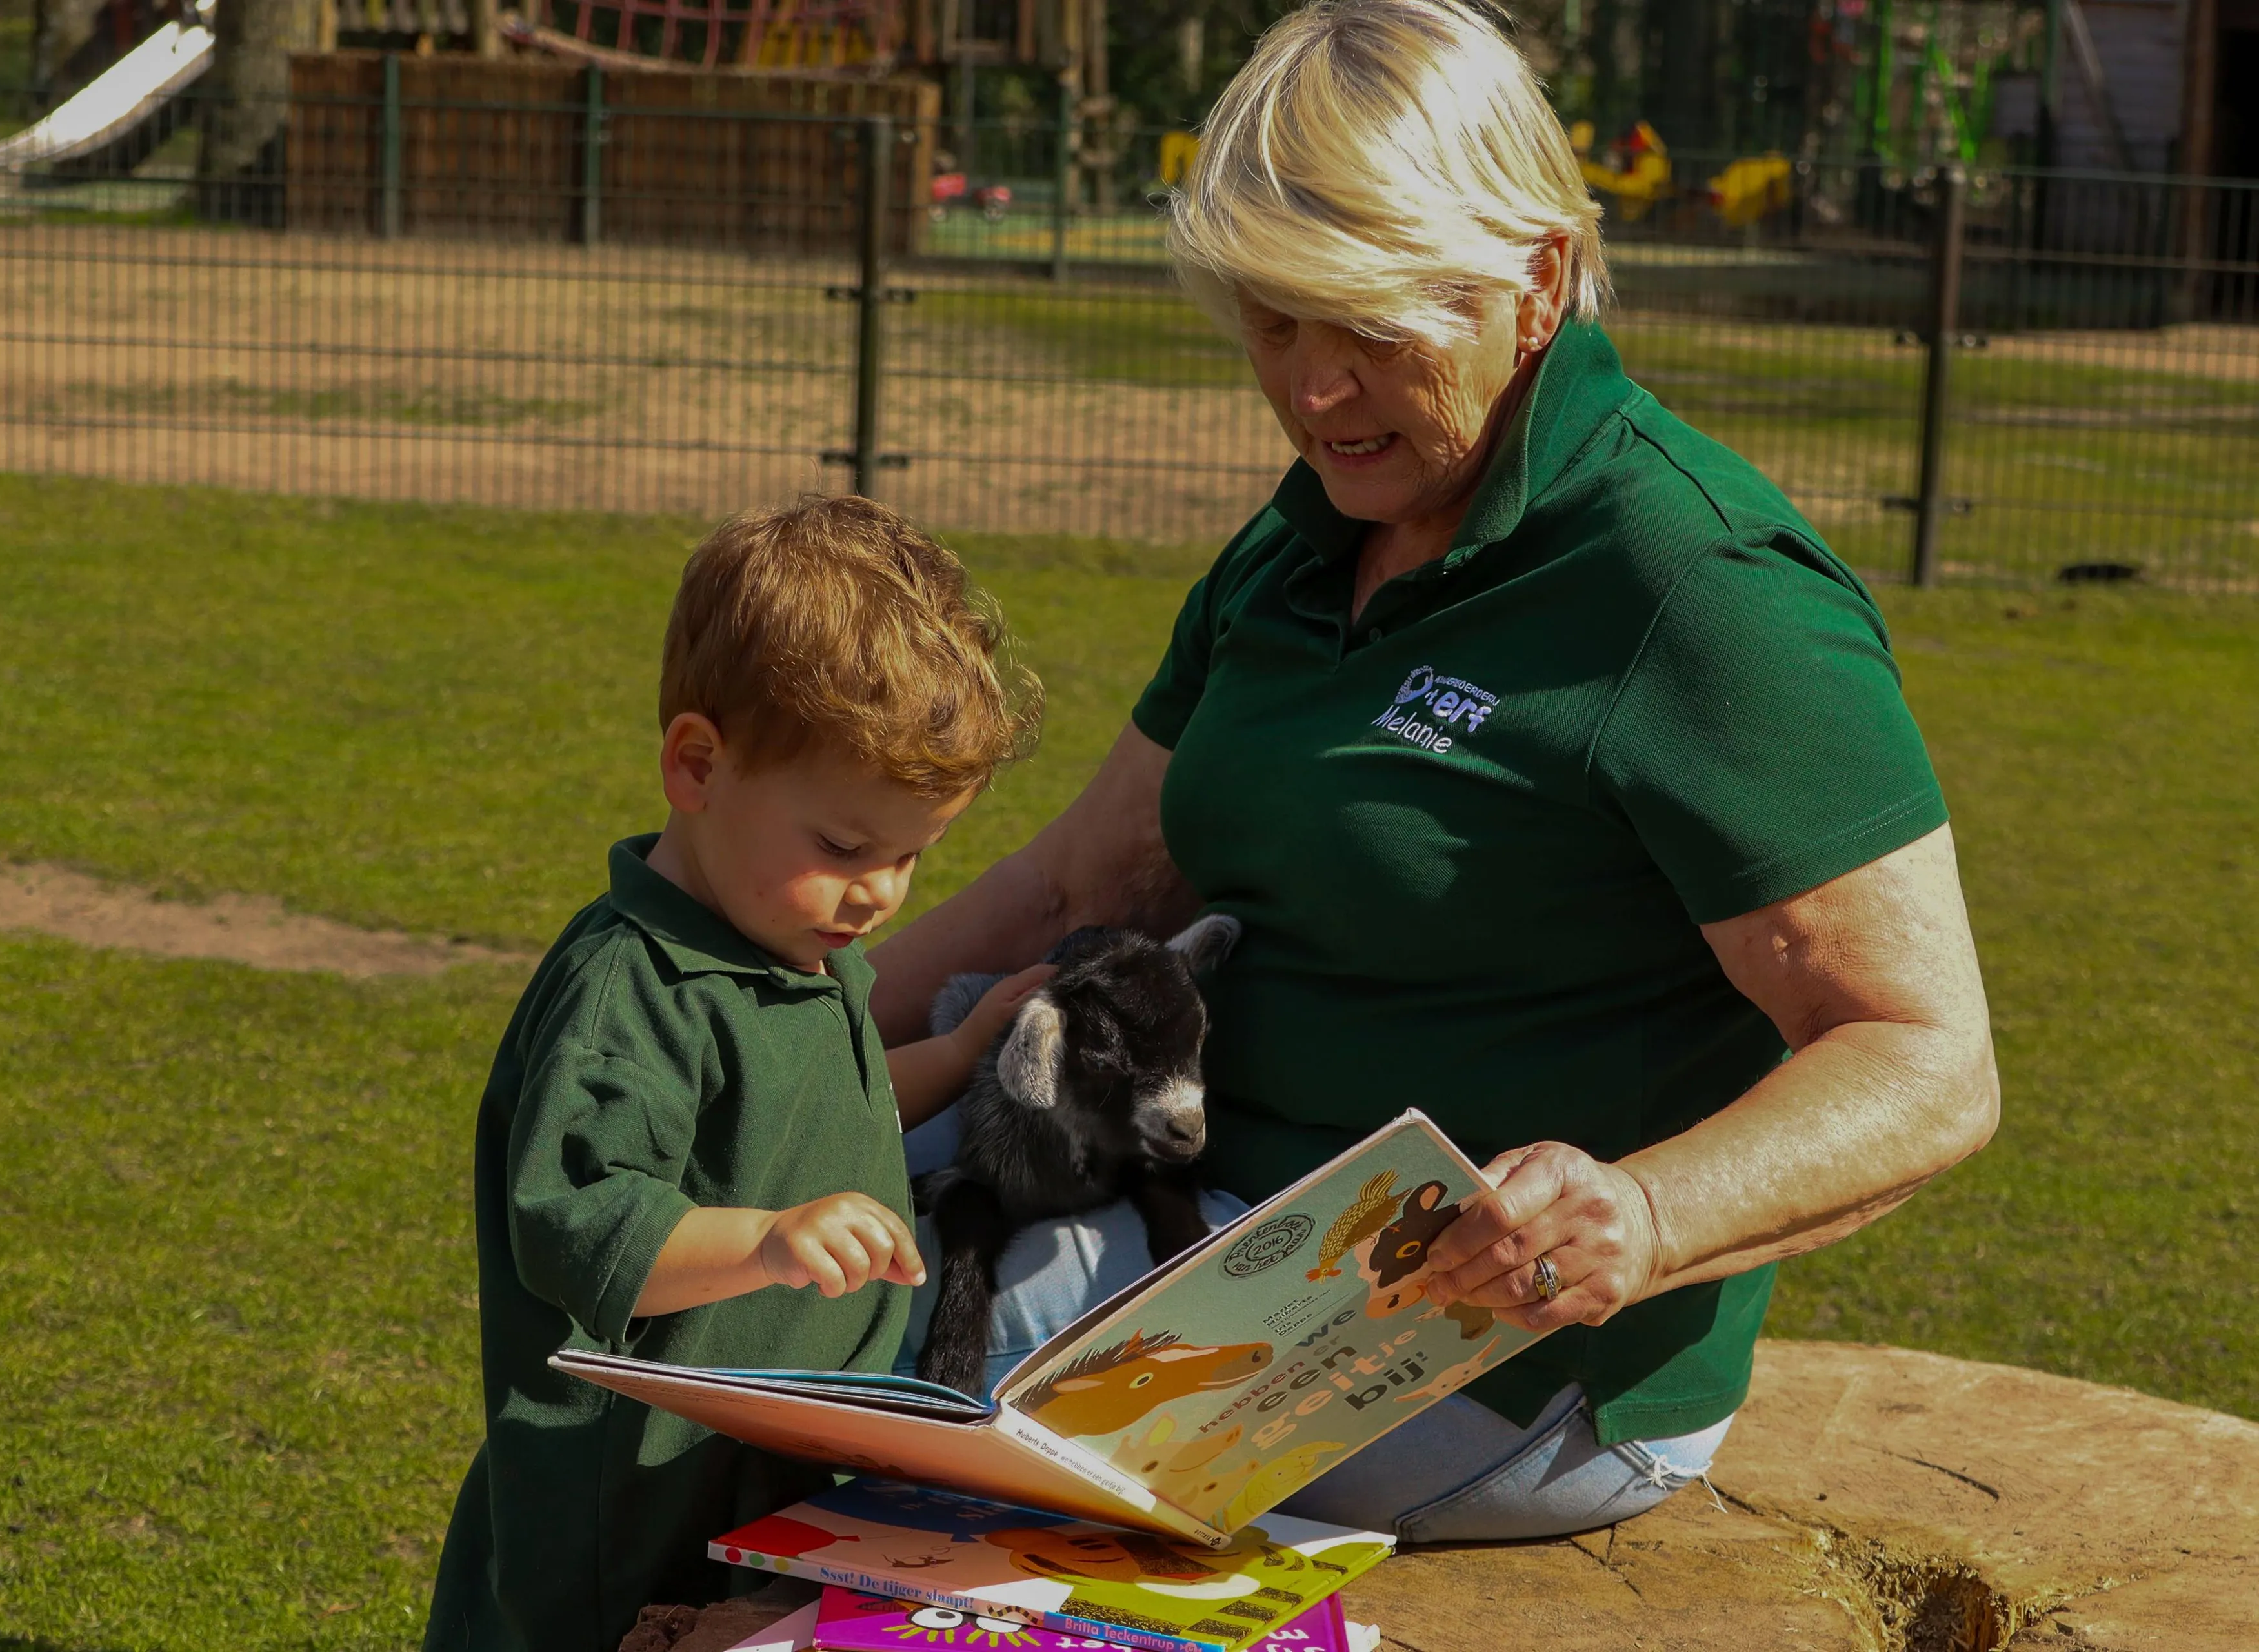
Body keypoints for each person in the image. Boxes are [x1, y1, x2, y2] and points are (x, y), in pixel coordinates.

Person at [871, 0, 2000, 1546]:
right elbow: (1086, 878)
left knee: (865, 1362)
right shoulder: (1299, 541)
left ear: (1535, 278)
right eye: (1273, 321)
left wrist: (1646, 1213)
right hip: (1187, 1212)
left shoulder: (1700, 584)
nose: (1313, 389)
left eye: (1369, 326)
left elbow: (1923, 1054)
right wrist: (766, 1044)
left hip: (1486, 1356)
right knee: (731, 1246)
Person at [423, 496, 1052, 1652]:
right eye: (847, 849)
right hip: (628, 1502)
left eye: (915, 855)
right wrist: (769, 1240)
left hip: (773, 1462)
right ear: (698, 765)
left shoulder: (794, 945)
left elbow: (826, 1120)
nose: (879, 895)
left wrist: (959, 1060)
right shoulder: (635, 993)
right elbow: (579, 1229)